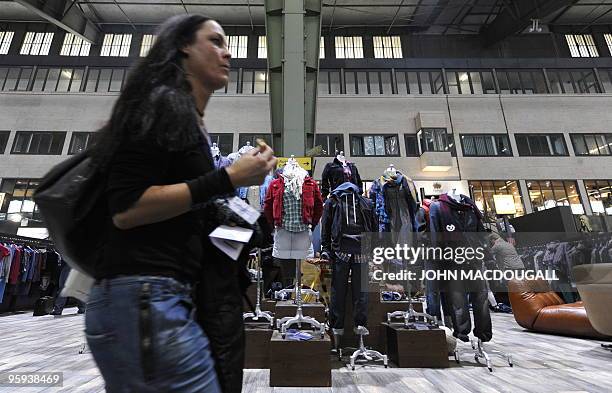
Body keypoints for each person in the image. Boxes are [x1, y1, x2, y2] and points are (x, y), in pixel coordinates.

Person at [86, 15, 276, 392]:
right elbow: (127, 209)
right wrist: (229, 179)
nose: (227, 52)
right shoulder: (162, 106)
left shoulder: (187, 119)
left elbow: (187, 212)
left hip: (160, 299)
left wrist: (243, 222)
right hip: (145, 300)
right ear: (184, 46)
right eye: (216, 41)